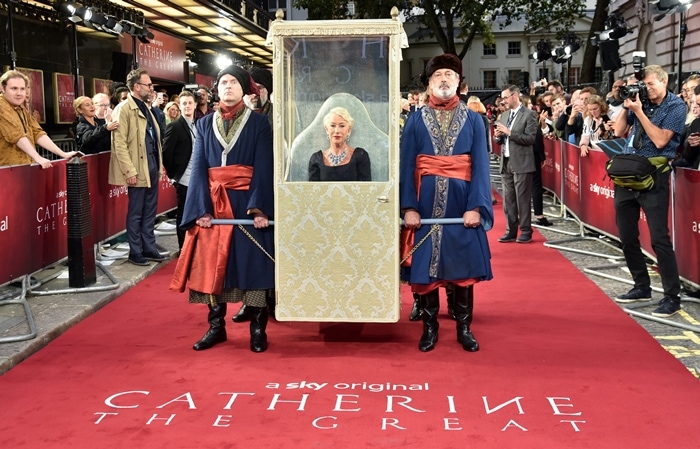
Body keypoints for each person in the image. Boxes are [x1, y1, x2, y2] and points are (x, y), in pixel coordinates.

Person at [170, 65, 274, 353]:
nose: (228, 86)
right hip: (214, 208)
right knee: (213, 267)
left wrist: (260, 209)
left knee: (253, 266)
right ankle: (216, 327)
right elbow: (199, 167)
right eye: (224, 82)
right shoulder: (204, 124)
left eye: (234, 82)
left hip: (247, 205)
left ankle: (257, 328)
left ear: (244, 89)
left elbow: (264, 167)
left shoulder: (259, 123)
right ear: (217, 88)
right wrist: (200, 209)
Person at [400, 53, 493, 352]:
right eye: (438, 75)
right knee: (425, 270)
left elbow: (481, 166)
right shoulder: (414, 120)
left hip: (462, 207)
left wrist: (476, 206)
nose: (444, 79)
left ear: (459, 82)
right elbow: (406, 165)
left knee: (463, 270)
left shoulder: (475, 120)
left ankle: (464, 328)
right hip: (424, 208)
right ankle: (430, 328)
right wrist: (409, 207)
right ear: (428, 84)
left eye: (449, 75)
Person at [611, 64, 686, 317]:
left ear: (664, 82)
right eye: (645, 84)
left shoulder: (675, 106)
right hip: (628, 174)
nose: (648, 89)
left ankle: (672, 297)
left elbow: (661, 140)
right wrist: (627, 105)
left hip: (654, 176)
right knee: (627, 236)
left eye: (651, 84)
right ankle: (641, 286)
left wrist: (640, 112)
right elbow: (619, 131)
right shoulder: (638, 101)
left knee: (659, 239)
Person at [108, 68, 166, 266]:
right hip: (137, 167)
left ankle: (149, 248)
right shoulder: (123, 109)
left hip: (151, 165)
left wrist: (159, 165)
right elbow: (119, 144)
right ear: (136, 86)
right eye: (148, 85)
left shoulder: (146, 108)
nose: (151, 88)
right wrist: (129, 171)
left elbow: (154, 139)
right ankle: (135, 251)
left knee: (150, 210)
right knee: (136, 212)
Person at [0, 70, 78, 168]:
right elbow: (16, 135)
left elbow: (37, 132)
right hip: (6, 169)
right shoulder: (1, 105)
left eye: (22, 89)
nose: (19, 93)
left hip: (22, 167)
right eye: (14, 88)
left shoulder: (20, 108)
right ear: (2, 88)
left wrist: (63, 154)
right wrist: (38, 158)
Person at [494, 85, 538, 243]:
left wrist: (510, 133)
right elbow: (499, 140)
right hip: (506, 161)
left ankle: (526, 230)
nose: (503, 101)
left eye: (505, 98)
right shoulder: (504, 115)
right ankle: (510, 231)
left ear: (514, 96)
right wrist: (497, 136)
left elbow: (530, 138)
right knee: (508, 199)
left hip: (522, 162)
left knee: (522, 199)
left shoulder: (530, 114)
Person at [162, 90, 197, 251]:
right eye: (184, 103)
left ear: (195, 105)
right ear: (180, 106)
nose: (187, 106)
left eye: (190, 103)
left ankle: (194, 247)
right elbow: (166, 154)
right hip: (183, 179)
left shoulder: (198, 125)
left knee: (196, 214)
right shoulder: (174, 126)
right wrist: (174, 176)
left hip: (197, 179)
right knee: (183, 214)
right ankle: (183, 249)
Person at [308, 107, 371, 181]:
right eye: (333, 125)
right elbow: (312, 188)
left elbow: (366, 187)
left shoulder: (360, 156)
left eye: (342, 126)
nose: (337, 131)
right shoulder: (316, 159)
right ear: (327, 129)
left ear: (349, 130)